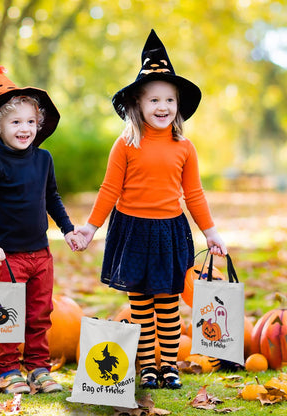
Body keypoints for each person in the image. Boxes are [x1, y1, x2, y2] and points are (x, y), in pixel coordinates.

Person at [76, 30, 227, 389]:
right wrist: (90, 227)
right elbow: (110, 189)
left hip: (169, 230)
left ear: (178, 106)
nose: (163, 107)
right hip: (132, 230)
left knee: (169, 304)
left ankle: (170, 365)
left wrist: (211, 231)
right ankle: (147, 364)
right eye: (154, 100)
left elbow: (194, 193)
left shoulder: (184, 147)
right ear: (137, 106)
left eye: (170, 100)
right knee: (140, 303)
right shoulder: (126, 144)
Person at [0, 66, 87, 394]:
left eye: (30, 122)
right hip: (7, 257)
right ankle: (8, 369)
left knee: (40, 313)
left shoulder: (44, 159)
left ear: (39, 125)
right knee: (5, 314)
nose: (25, 129)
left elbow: (52, 198)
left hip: (41, 254)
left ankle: (38, 367)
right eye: (16, 122)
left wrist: (68, 229)